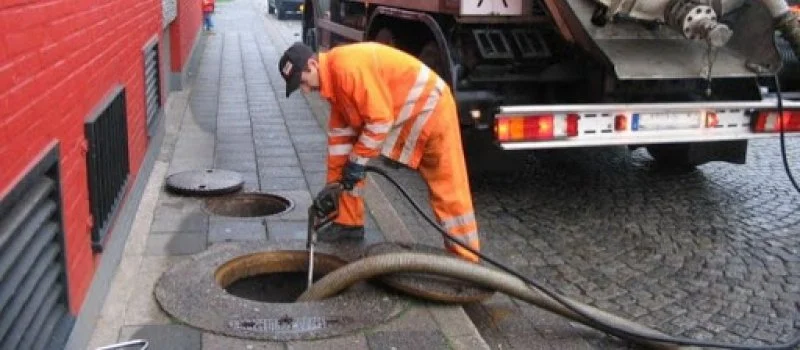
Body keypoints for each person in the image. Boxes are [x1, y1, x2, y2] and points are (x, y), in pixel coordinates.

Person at [278, 42, 480, 263]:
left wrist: (357, 161)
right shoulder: (334, 83)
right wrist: (333, 189)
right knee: (345, 157)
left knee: (448, 190)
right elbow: (339, 146)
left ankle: (467, 261)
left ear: (312, 64)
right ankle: (348, 223)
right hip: (413, 113)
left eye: (304, 82)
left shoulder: (347, 69)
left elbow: (380, 121)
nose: (306, 90)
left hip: (433, 110)